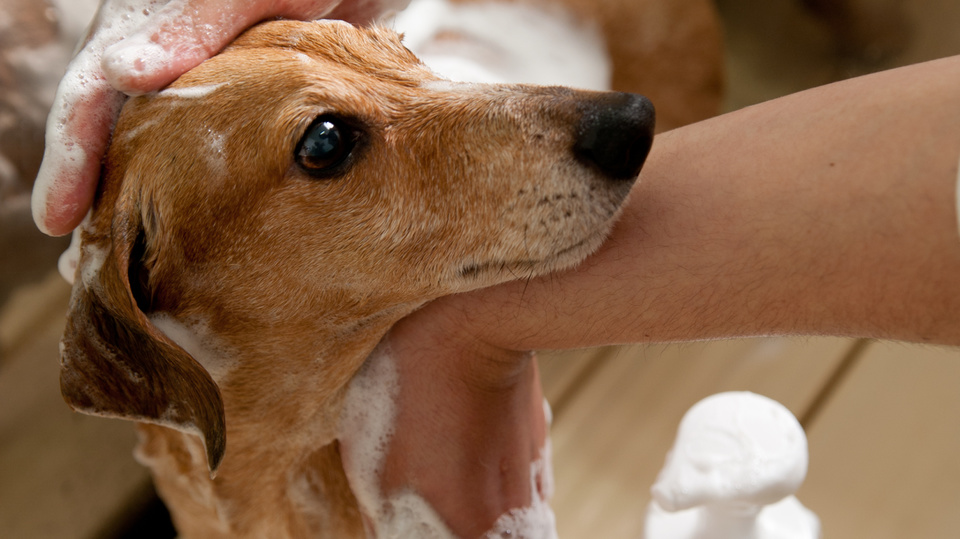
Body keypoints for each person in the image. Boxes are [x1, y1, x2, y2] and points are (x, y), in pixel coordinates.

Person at [31, 1, 960, 537]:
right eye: (328, 144)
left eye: (390, 54)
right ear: (153, 319)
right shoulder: (159, 351)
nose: (614, 117)